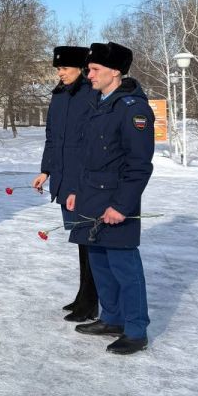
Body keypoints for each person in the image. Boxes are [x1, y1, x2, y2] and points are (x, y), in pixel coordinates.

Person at [66, 41, 154, 354]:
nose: (88, 74)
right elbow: (86, 155)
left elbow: (139, 165)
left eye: (94, 69)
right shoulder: (97, 103)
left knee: (124, 266)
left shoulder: (133, 109)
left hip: (116, 201)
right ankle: (112, 318)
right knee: (99, 263)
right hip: (90, 197)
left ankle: (135, 329)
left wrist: (121, 205)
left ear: (114, 72)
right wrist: (75, 190)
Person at [33, 45, 98, 321]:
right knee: (82, 241)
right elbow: (51, 137)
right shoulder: (58, 96)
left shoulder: (92, 95)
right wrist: (45, 171)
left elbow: (94, 141)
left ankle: (91, 301)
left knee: (90, 241)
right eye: (58, 69)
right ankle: (84, 295)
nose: (60, 74)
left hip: (82, 180)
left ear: (81, 68)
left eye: (65, 69)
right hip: (62, 178)